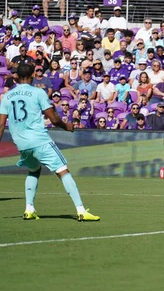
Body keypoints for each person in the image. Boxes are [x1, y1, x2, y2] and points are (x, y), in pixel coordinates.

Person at [0, 64, 99, 221]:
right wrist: (66, 126)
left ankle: (29, 208)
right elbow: (53, 118)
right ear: (32, 76)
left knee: (34, 170)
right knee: (62, 170)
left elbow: (0, 125)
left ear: (16, 77)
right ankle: (81, 210)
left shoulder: (7, 96)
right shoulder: (38, 92)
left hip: (21, 142)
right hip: (39, 140)